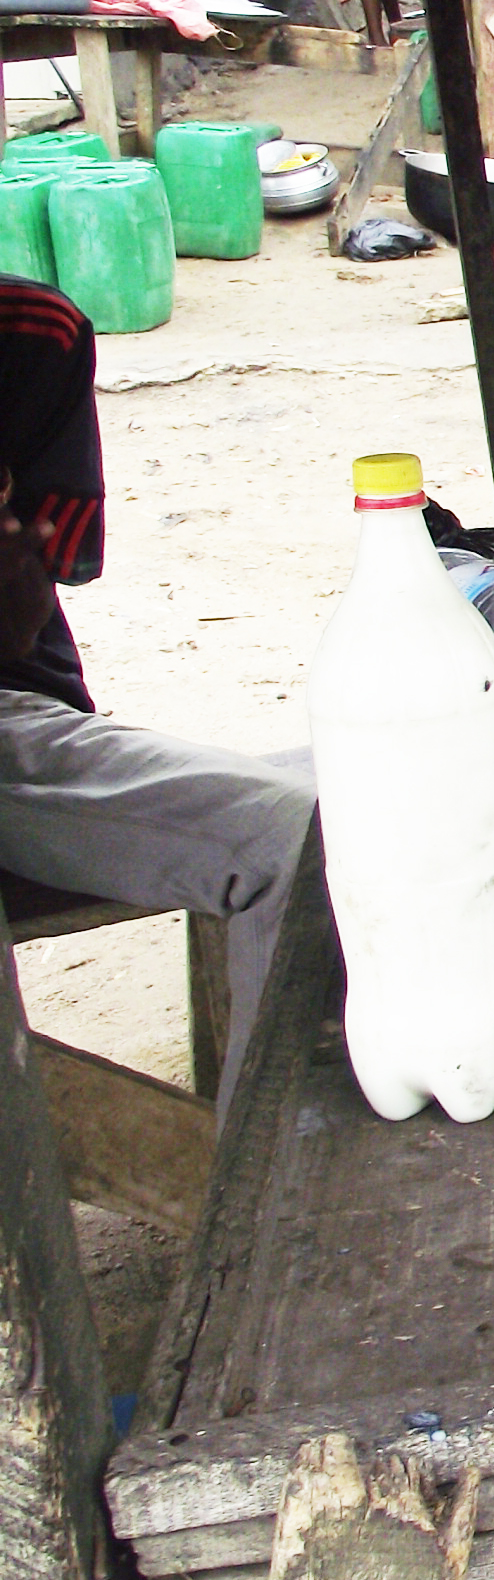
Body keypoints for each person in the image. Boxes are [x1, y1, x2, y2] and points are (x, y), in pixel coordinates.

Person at [0, 276, 316, 1114]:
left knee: (377, 785)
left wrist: (16, 596)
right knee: (289, 839)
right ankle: (267, 1196)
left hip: (17, 708)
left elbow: (36, 587)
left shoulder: (29, 336)